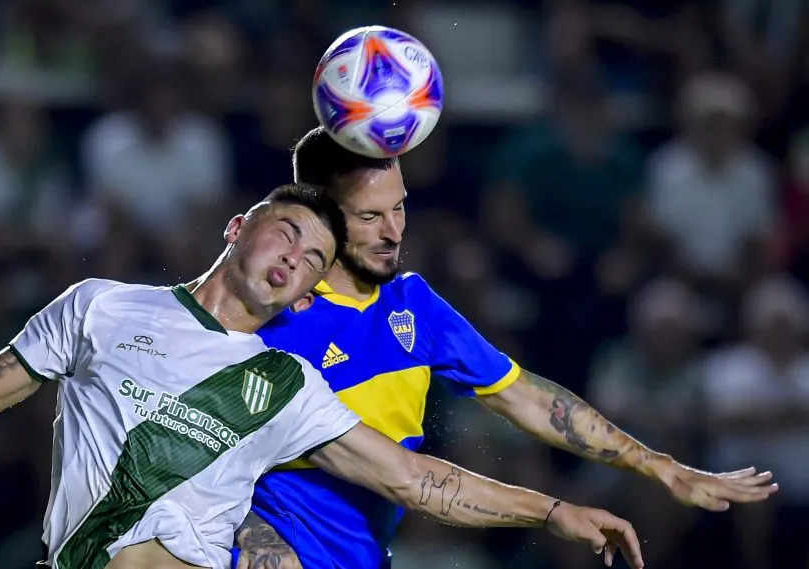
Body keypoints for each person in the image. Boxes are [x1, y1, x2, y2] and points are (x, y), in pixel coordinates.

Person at [0, 184, 645, 569]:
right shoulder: (104, 306)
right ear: (240, 227)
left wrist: (557, 508)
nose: (296, 262)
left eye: (315, 261)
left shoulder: (282, 381)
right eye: (287, 236)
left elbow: (414, 477)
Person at [234, 128, 780, 569]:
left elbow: (529, 400)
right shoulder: (274, 317)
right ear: (324, 218)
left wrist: (660, 467)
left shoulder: (413, 306)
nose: (393, 231)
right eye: (370, 217)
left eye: (399, 209)